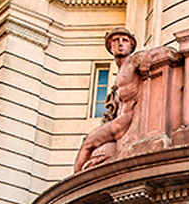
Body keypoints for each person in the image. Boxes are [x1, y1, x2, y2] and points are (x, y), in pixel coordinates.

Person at [73, 28, 173, 172]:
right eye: (116, 41)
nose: (120, 44)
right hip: (119, 121)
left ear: (131, 46)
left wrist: (146, 59)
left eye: (125, 41)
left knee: (88, 143)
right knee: (88, 145)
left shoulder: (133, 61)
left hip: (124, 122)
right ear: (110, 46)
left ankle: (77, 181)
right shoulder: (120, 72)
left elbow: (162, 51)